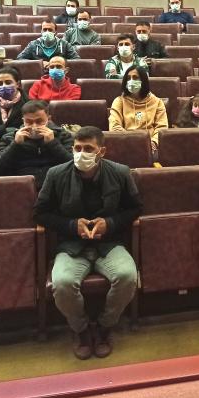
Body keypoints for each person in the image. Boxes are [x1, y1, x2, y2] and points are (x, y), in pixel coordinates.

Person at [35, 126, 140, 360]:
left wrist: (110, 223)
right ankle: (81, 329)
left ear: (101, 151)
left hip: (108, 243)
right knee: (62, 283)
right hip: (71, 245)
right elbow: (40, 213)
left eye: (88, 149)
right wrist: (72, 225)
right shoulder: (56, 174)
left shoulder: (121, 172)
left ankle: (104, 327)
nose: (81, 153)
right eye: (77, 148)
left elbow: (135, 208)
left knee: (127, 276)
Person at [0, 99, 74, 188]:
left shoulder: (63, 136)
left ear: (48, 119)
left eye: (39, 121)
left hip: (55, 185)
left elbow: (74, 166)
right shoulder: (9, 138)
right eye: (29, 122)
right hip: (21, 186)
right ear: (23, 121)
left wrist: (53, 144)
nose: (34, 126)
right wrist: (15, 145)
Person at [109, 68, 168, 151]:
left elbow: (161, 127)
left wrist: (154, 142)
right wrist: (134, 142)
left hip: (150, 147)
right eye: (128, 78)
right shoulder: (119, 101)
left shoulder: (157, 102)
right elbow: (114, 126)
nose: (131, 81)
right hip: (126, 145)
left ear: (143, 80)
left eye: (135, 77)